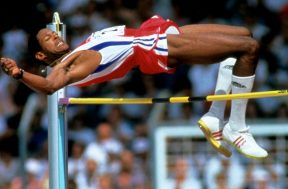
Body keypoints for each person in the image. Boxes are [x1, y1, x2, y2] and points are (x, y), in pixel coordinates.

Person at [0, 15, 268, 159]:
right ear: (40, 56)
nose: (55, 37)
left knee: (244, 36)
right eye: (48, 38)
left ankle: (214, 116)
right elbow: (48, 86)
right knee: (249, 49)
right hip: (156, 48)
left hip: (155, 32)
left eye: (54, 33)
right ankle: (237, 127)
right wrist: (19, 73)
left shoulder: (80, 46)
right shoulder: (66, 67)